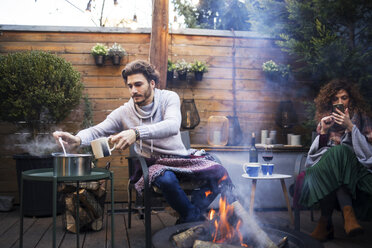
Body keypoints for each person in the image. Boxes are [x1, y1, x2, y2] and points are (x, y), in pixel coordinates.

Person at [53, 60, 232, 223]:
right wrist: (77, 138)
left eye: (138, 84)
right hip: (153, 163)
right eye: (130, 86)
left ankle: (191, 214)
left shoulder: (169, 98)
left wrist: (136, 133)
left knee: (219, 172)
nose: (133, 90)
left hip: (180, 158)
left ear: (152, 84)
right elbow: (98, 129)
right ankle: (194, 218)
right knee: (168, 181)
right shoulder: (125, 111)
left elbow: (172, 125)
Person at [297, 78, 372, 242]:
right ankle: (348, 216)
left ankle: (325, 223)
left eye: (344, 98)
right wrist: (323, 131)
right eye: (335, 99)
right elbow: (316, 155)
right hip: (328, 167)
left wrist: (350, 126)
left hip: (354, 168)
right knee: (334, 157)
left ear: (350, 99)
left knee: (340, 152)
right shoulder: (326, 120)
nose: (340, 102)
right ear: (330, 102)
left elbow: (368, 152)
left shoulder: (361, 117)